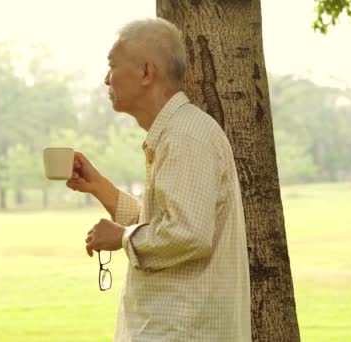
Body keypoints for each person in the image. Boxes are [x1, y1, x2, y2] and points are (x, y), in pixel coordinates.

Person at [66, 18, 251, 341]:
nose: (105, 78)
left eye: (112, 65)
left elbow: (188, 234)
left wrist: (122, 237)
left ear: (146, 73)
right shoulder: (173, 133)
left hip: (185, 331)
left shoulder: (185, 136)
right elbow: (164, 221)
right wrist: (100, 187)